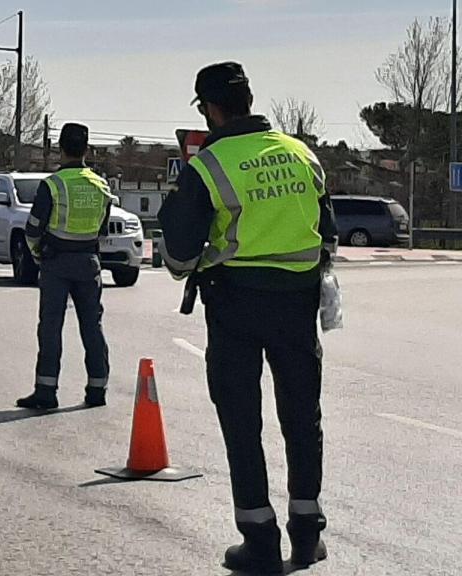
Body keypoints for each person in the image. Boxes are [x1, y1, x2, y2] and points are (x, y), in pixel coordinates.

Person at [158, 62, 337, 574]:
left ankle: (259, 538)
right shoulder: (302, 154)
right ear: (250, 100)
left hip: (235, 303)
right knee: (303, 418)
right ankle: (307, 534)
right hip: (298, 304)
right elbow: (327, 229)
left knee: (242, 421)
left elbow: (178, 256)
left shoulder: (210, 165)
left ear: (209, 109)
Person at [16, 123, 112, 410]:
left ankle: (46, 391)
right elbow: (103, 228)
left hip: (56, 262)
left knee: (50, 328)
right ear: (87, 149)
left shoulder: (53, 185)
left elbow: (32, 229)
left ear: (60, 149)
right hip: (89, 261)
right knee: (92, 327)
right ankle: (97, 389)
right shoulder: (101, 184)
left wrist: (36, 255)